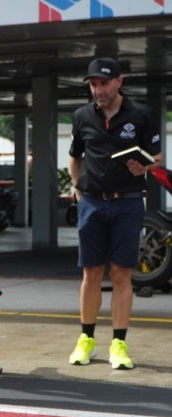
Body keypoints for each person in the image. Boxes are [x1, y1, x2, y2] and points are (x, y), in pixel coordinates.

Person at [68, 57, 163, 370]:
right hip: (92, 204)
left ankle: (119, 344)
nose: (99, 90)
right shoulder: (82, 116)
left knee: (122, 273)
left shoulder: (142, 115)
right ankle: (86, 339)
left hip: (128, 203)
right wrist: (78, 190)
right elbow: (75, 156)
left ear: (120, 81)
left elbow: (157, 158)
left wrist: (144, 166)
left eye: (104, 83)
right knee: (91, 272)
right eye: (94, 84)